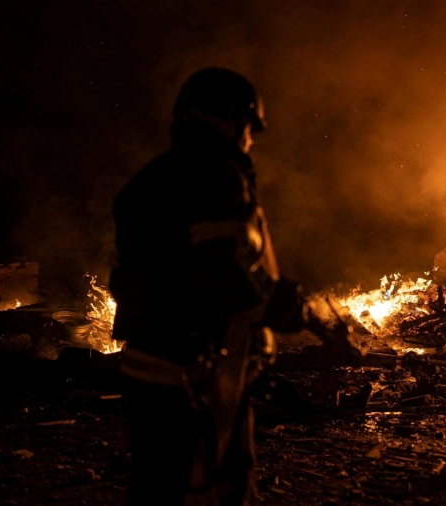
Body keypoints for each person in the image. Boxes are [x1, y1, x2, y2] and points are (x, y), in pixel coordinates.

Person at [109, 67, 359, 505]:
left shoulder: (153, 178)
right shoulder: (214, 176)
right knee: (212, 487)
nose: (250, 139)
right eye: (247, 126)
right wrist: (300, 314)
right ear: (221, 119)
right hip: (197, 372)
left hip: (149, 364)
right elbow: (227, 275)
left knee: (159, 484)